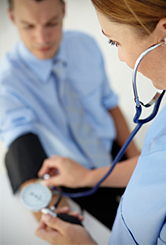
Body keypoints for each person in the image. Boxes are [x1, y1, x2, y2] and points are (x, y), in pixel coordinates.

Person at [35, 0, 166, 244]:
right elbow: (154, 166)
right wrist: (88, 177)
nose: (120, 57)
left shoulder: (83, 46)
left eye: (115, 42)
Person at [0, 0, 139, 228]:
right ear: (12, 18)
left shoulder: (86, 45)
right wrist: (56, 217)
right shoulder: (6, 83)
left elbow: (109, 104)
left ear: (64, 10)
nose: (42, 39)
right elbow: (21, 149)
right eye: (29, 26)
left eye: (51, 23)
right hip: (72, 177)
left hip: (114, 152)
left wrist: (136, 160)